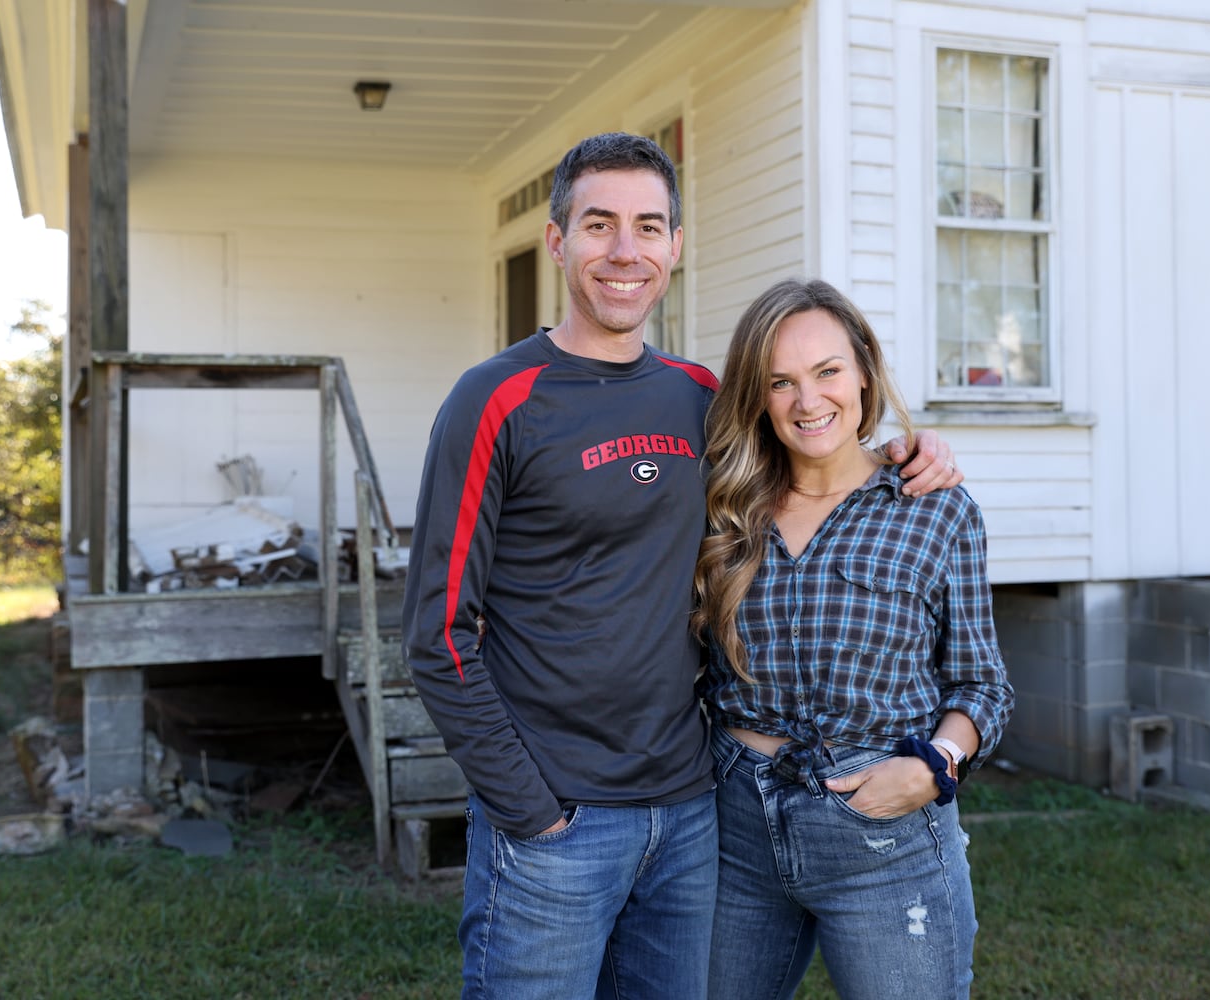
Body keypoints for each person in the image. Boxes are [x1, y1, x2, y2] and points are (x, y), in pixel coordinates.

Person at [401, 134, 961, 1000]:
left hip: (691, 811)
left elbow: (806, 450)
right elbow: (438, 632)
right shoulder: (495, 399)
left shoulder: (699, 399)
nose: (624, 251)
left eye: (648, 226)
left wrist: (904, 453)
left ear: (675, 246)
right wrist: (528, 809)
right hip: (557, 815)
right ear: (557, 241)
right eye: (599, 225)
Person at [694, 278, 1014, 1000]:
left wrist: (936, 763)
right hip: (733, 828)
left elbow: (982, 686)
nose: (808, 402)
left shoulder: (933, 508)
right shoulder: (722, 507)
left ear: (863, 370)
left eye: (827, 371)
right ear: (757, 396)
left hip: (884, 833)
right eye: (781, 382)